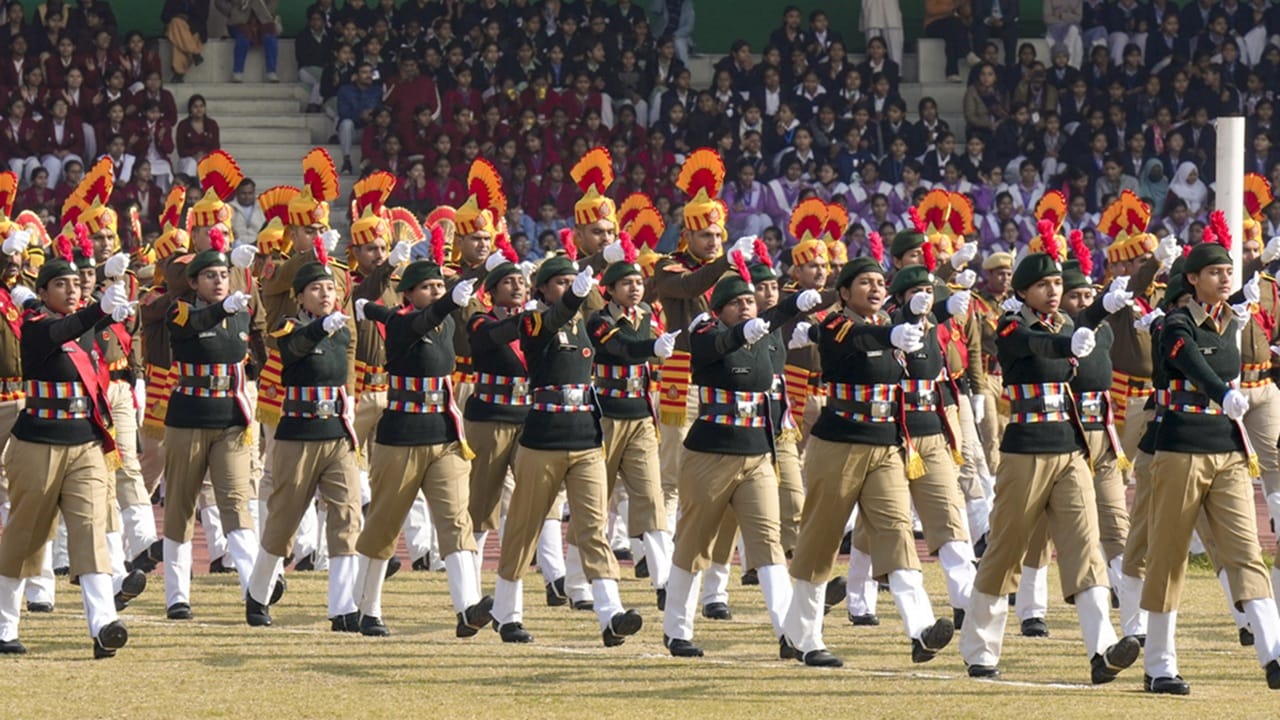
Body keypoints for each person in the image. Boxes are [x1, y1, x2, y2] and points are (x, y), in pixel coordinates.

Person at [958, 241, 1141, 682]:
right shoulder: (1008, 325)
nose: (1054, 291)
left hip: (1071, 449)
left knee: (1085, 550)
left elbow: (1076, 327)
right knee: (1004, 550)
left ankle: (1101, 651)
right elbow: (1036, 344)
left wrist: (1104, 307)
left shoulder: (1064, 322)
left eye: (1058, 283)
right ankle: (980, 650)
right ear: (1023, 292)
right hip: (1025, 451)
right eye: (1043, 285)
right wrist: (1071, 339)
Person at [781, 240, 955, 667]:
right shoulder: (836, 323)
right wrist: (891, 333)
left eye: (881, 282)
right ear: (844, 292)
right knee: (821, 539)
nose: (876, 288)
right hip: (839, 442)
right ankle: (802, 636)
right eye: (865, 282)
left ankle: (920, 630)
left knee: (897, 533)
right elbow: (855, 338)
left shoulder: (895, 323)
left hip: (886, 443)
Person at [1143, 220, 1280, 694]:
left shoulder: (1230, 322)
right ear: (1192, 279)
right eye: (1215, 271)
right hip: (1182, 447)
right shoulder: (1175, 323)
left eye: (1228, 270)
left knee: (1245, 551)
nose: (1225, 277)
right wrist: (1223, 391)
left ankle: (1274, 652)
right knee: (1169, 555)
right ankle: (1159, 663)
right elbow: (1188, 360)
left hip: (1227, 448)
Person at [664, 246, 813, 659]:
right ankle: (677, 629)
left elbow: (774, 319)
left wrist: (796, 304)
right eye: (737, 302)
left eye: (751, 301)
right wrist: (741, 330)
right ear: (720, 309)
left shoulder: (762, 337)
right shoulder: (705, 333)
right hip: (711, 451)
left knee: (768, 541)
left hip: (757, 452)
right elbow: (720, 344)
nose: (748, 308)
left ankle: (789, 634)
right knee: (694, 541)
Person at [490, 248, 645, 647]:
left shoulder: (585, 324)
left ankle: (610, 614)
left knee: (593, 528)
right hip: (544, 436)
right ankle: (506, 612)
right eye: (560, 282)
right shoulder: (533, 319)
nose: (569, 288)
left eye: (571, 282)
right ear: (543, 288)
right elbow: (553, 318)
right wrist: (575, 293)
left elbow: (621, 339)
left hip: (585, 436)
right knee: (525, 526)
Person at [351, 243, 494, 638]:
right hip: (402, 435)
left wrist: (482, 278)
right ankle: (368, 607)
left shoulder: (447, 321)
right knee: (384, 523)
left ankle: (467, 608)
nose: (435, 291)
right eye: (427, 287)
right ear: (408, 294)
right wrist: (447, 300)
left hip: (445, 434)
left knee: (455, 521)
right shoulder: (400, 324)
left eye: (438, 285)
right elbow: (420, 319)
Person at [0, 235, 134, 658]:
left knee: (91, 531)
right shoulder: (37, 329)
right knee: (26, 536)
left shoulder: (89, 325)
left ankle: (104, 626)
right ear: (42, 293)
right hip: (39, 442)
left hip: (85, 442)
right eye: (60, 284)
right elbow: (65, 330)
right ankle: (4, 626)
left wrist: (115, 303)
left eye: (77, 283)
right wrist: (100, 309)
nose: (72, 289)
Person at [245, 252, 360, 630]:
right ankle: (258, 592)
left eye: (330, 287)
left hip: (336, 432)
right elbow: (291, 352)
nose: (326, 294)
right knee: (284, 520)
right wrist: (319, 328)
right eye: (316, 288)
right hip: (298, 432)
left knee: (346, 517)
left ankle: (343, 608)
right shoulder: (288, 326)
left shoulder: (342, 329)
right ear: (300, 296)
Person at [161, 227, 260, 620]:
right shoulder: (179, 309)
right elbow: (195, 324)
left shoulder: (241, 312)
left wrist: (248, 280)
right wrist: (226, 307)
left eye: (223, 275)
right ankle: (176, 596)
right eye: (210, 276)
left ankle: (255, 592)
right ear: (193, 283)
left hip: (230, 418)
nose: (218, 281)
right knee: (181, 505)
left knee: (235, 501)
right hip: (188, 416)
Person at [587, 236, 675, 610]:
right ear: (609, 290)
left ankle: (665, 581)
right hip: (607, 414)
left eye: (639, 282)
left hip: (639, 413)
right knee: (594, 501)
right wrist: (651, 349)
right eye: (627, 283)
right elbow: (619, 348)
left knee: (650, 497)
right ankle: (577, 582)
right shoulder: (600, 320)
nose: (635, 288)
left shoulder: (646, 317)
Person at [216, 0, 279, 83]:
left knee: (270, 37)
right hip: (238, 20)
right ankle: (238, 72)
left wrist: (266, 11)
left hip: (263, 18)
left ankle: (271, 71)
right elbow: (218, 2)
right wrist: (231, 12)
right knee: (243, 38)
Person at [336, 62, 381, 176]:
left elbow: (381, 110)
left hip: (370, 131)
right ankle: (346, 161)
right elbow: (343, 113)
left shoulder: (377, 90)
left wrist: (373, 115)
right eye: (364, 72)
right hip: (353, 131)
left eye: (370, 72)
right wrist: (360, 115)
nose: (368, 75)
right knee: (346, 123)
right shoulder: (345, 90)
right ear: (356, 76)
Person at [161, 0, 208, 83]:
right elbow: (164, 16)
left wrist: (187, 18)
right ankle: (195, 53)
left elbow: (203, 18)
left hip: (194, 29)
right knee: (176, 22)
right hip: (174, 28)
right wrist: (178, 16)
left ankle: (179, 73)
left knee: (178, 40)